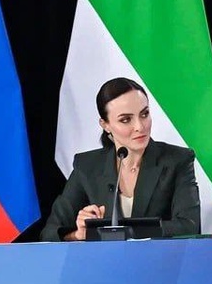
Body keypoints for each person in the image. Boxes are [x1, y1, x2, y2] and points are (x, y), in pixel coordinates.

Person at [40, 78, 201, 241]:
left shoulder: (178, 160)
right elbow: (49, 233)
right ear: (105, 125)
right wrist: (77, 234)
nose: (140, 126)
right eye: (125, 120)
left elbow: (189, 226)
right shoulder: (87, 166)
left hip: (161, 256)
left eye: (144, 114)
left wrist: (115, 231)